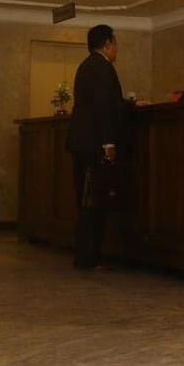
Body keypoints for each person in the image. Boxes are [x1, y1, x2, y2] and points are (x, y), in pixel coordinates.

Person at [65, 24, 126, 269]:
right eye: (115, 43)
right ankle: (88, 257)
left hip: (80, 141)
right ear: (108, 43)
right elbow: (104, 107)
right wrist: (108, 142)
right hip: (94, 143)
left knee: (85, 200)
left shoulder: (85, 66)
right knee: (93, 202)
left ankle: (84, 255)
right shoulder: (103, 68)